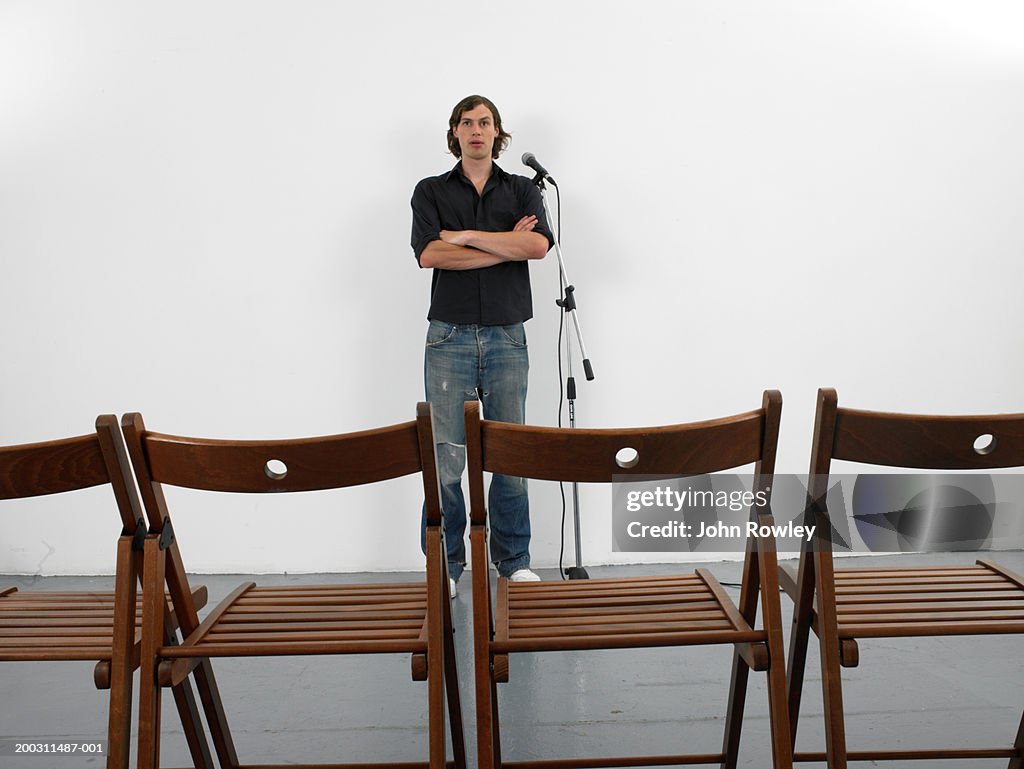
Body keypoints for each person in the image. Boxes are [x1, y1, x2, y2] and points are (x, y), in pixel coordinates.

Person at [411, 95, 553, 594]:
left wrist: (468, 236)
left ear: (498, 133)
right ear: (454, 132)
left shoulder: (521, 189)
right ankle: (447, 565)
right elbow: (430, 255)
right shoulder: (429, 190)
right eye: (467, 123)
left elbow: (536, 246)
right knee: (446, 453)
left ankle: (513, 560)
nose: (476, 130)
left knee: (509, 450)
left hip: (507, 332)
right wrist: (502, 246)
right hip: (448, 334)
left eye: (485, 122)